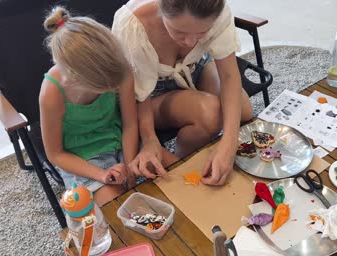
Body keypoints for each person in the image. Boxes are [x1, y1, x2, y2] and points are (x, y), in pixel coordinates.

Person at [112, 0, 253, 186]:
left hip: (194, 68)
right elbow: (137, 95)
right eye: (179, 31)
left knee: (244, 110)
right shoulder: (131, 26)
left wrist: (229, 143)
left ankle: (209, 155)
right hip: (149, 93)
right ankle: (182, 160)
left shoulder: (217, 11)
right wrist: (149, 138)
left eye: (202, 32)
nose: (190, 42)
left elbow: (229, 75)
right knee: (210, 113)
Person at [40, 7, 140, 205]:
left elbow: (130, 124)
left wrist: (128, 166)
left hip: (121, 139)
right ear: (75, 79)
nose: (114, 87)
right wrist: (103, 175)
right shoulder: (51, 94)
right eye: (106, 87)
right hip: (81, 158)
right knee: (117, 206)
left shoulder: (119, 68)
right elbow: (55, 154)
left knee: (168, 169)